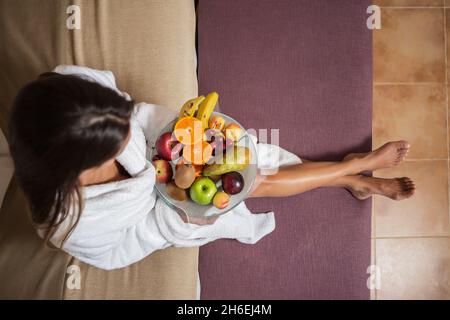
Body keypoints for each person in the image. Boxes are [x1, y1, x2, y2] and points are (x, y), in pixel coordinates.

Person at [8, 65, 414, 270]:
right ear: (75, 174)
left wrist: (175, 130)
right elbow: (121, 251)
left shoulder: (68, 85)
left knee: (249, 160)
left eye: (120, 128)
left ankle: (351, 176)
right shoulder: (70, 223)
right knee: (256, 182)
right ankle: (356, 170)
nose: (125, 142)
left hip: (169, 141)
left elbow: (125, 103)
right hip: (168, 208)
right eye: (113, 151)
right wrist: (179, 220)